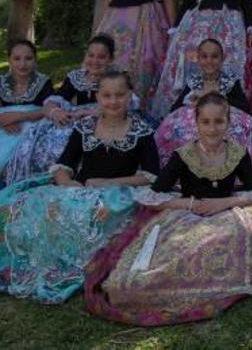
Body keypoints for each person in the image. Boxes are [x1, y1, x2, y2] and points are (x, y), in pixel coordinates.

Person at [84, 92, 252, 325]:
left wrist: (223, 203)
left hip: (223, 214)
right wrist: (191, 204)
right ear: (196, 123)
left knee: (237, 232)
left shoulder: (237, 153)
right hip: (186, 214)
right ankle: (160, 286)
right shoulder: (183, 155)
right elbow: (153, 195)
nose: (212, 129)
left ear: (228, 123)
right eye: (205, 122)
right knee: (181, 248)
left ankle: (212, 283)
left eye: (218, 122)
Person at [0, 71, 159, 303]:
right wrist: (67, 182)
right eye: (107, 95)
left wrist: (108, 183)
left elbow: (152, 175)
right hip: (80, 191)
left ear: (130, 96)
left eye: (119, 95)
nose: (113, 101)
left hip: (118, 195)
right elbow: (65, 164)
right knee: (30, 205)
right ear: (98, 96)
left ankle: (80, 263)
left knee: (100, 212)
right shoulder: (84, 127)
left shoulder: (142, 131)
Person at [5, 35, 117, 184]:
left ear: (111, 59)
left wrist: (88, 112)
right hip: (78, 119)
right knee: (49, 139)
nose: (95, 61)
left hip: (106, 119)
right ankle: (48, 177)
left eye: (101, 57)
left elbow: (121, 104)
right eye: (91, 55)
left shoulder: (116, 78)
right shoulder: (76, 77)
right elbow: (57, 98)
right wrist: (55, 111)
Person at [154, 39, 252, 166]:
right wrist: (191, 102)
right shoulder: (193, 82)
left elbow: (244, 109)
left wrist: (219, 98)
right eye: (204, 57)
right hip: (195, 125)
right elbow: (174, 109)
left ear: (222, 59)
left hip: (222, 125)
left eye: (214, 56)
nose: (209, 61)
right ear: (198, 59)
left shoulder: (230, 82)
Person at [0, 40, 54, 171]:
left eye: (28, 58)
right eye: (17, 59)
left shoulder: (43, 82)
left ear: (35, 60)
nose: (22, 64)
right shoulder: (1, 83)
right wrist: (5, 121)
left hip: (31, 133)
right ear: (9, 60)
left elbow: (49, 110)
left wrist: (16, 117)